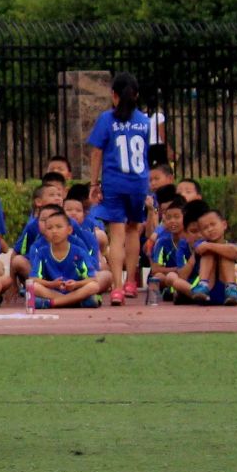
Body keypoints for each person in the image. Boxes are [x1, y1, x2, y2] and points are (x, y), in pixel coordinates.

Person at [85, 75, 154, 306]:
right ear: (136, 95)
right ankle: (131, 282)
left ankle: (116, 288)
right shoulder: (144, 121)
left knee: (117, 234)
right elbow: (147, 153)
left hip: (115, 182)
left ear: (113, 95)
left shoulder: (107, 119)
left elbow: (97, 152)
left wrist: (94, 183)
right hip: (138, 182)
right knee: (133, 229)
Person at [22, 205, 106, 308]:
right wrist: (51, 284)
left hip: (75, 290)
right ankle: (74, 302)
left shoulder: (78, 252)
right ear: (45, 232)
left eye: (59, 227)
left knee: (94, 286)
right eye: (50, 228)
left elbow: (92, 279)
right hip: (54, 291)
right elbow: (33, 279)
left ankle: (53, 303)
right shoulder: (41, 252)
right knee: (33, 286)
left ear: (69, 230)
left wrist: (76, 284)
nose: (54, 231)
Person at [182, 204, 237, 305]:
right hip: (207, 292)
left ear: (224, 225)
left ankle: (231, 288)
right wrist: (209, 246)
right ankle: (203, 284)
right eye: (205, 228)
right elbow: (200, 249)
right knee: (208, 252)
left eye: (213, 224)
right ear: (202, 233)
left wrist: (210, 246)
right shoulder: (201, 244)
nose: (210, 229)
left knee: (227, 253)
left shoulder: (229, 245)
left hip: (227, 293)